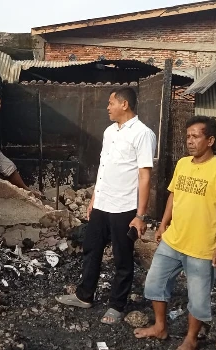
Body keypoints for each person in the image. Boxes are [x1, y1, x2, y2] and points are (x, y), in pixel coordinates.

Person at [134, 116, 216, 350]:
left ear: (210, 140)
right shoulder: (182, 164)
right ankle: (160, 327)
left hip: (202, 248)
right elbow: (173, 195)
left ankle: (191, 339)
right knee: (154, 284)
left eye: (196, 136)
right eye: (188, 136)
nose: (190, 141)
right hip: (173, 241)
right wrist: (162, 225)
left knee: (198, 299)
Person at [56, 87, 157, 325]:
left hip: (124, 207)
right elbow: (103, 169)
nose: (107, 107)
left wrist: (140, 215)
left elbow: (145, 176)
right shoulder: (110, 131)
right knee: (91, 249)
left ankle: (117, 305)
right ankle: (84, 295)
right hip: (102, 203)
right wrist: (93, 199)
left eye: (111, 103)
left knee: (122, 258)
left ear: (124, 104)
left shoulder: (143, 134)